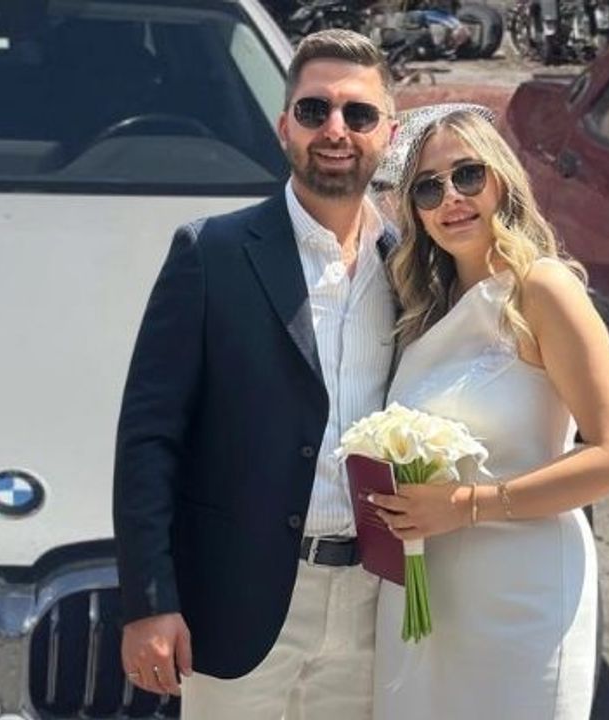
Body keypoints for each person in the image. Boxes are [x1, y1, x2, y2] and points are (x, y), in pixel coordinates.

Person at [113, 29, 398, 718]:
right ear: (284, 126)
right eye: (314, 110)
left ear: (388, 133)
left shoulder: (412, 265)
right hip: (241, 601)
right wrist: (149, 602)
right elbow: (149, 439)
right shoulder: (211, 252)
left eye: (359, 114)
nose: (336, 130)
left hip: (376, 605)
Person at [367, 106, 609, 719]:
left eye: (467, 175)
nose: (451, 198)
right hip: (425, 598)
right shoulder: (422, 307)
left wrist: (468, 505)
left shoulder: (542, 288)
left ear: (502, 179)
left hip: (522, 599)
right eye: (428, 188)